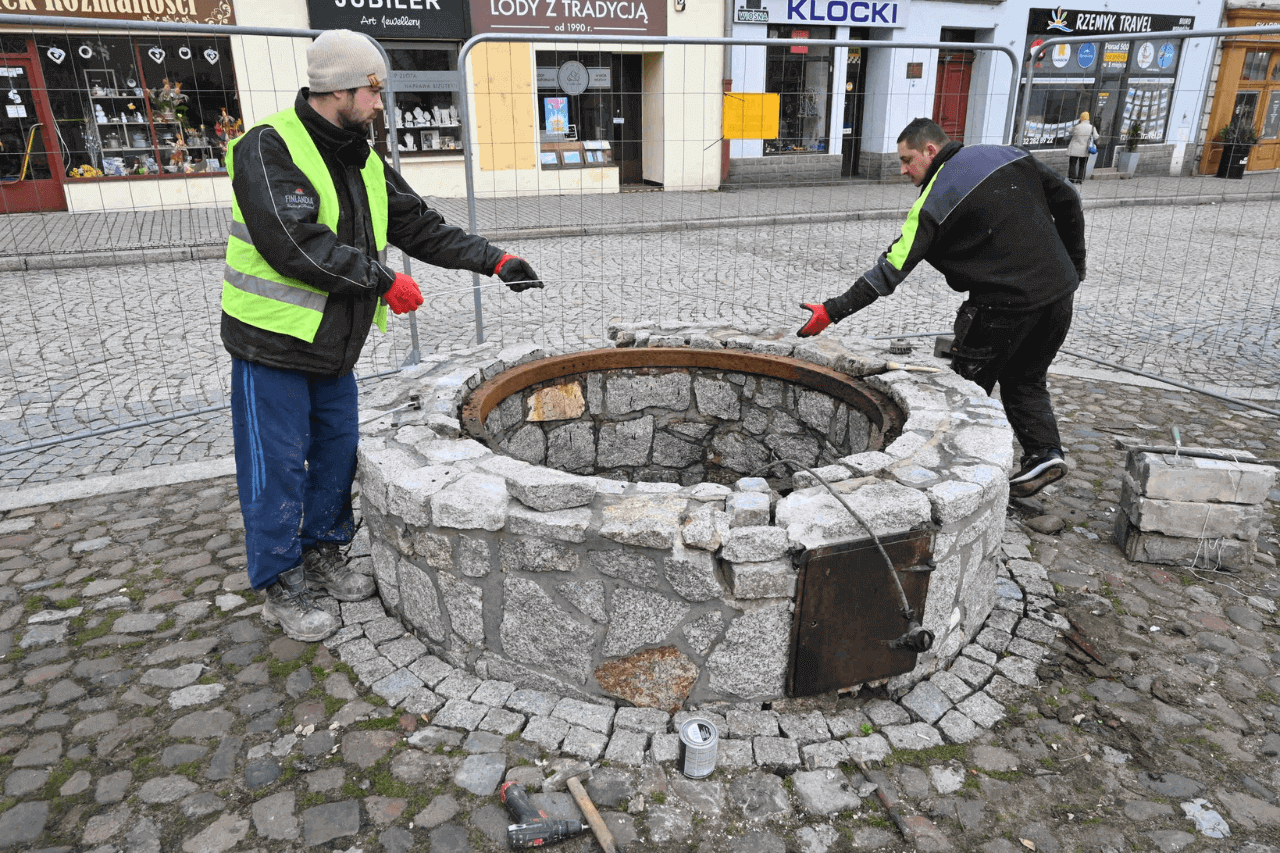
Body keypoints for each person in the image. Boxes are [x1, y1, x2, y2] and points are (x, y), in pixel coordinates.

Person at [221, 29, 544, 642]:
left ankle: (322, 549)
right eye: (373, 90)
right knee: (277, 466)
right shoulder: (268, 148)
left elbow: (419, 225)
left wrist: (495, 260)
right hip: (271, 344)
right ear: (339, 89)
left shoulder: (359, 153)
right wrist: (381, 279)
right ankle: (278, 580)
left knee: (337, 453)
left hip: (335, 347)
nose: (380, 102)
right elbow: (294, 245)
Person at [796, 118, 1085, 499]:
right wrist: (1074, 265)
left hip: (1001, 307)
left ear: (930, 151)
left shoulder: (933, 202)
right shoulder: (1006, 154)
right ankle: (1044, 454)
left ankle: (959, 491)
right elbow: (1068, 198)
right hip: (1058, 296)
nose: (902, 170)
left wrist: (832, 311)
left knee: (964, 393)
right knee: (1025, 378)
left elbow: (889, 270)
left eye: (907, 159)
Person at [1065, 111, 1098, 185]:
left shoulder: (1077, 126)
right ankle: (1080, 180)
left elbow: (1069, 131)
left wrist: (1076, 124)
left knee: (1072, 164)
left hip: (1075, 148)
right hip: (1085, 149)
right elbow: (1096, 137)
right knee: (1082, 165)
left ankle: (1072, 179)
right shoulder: (1092, 127)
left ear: (1081, 118)